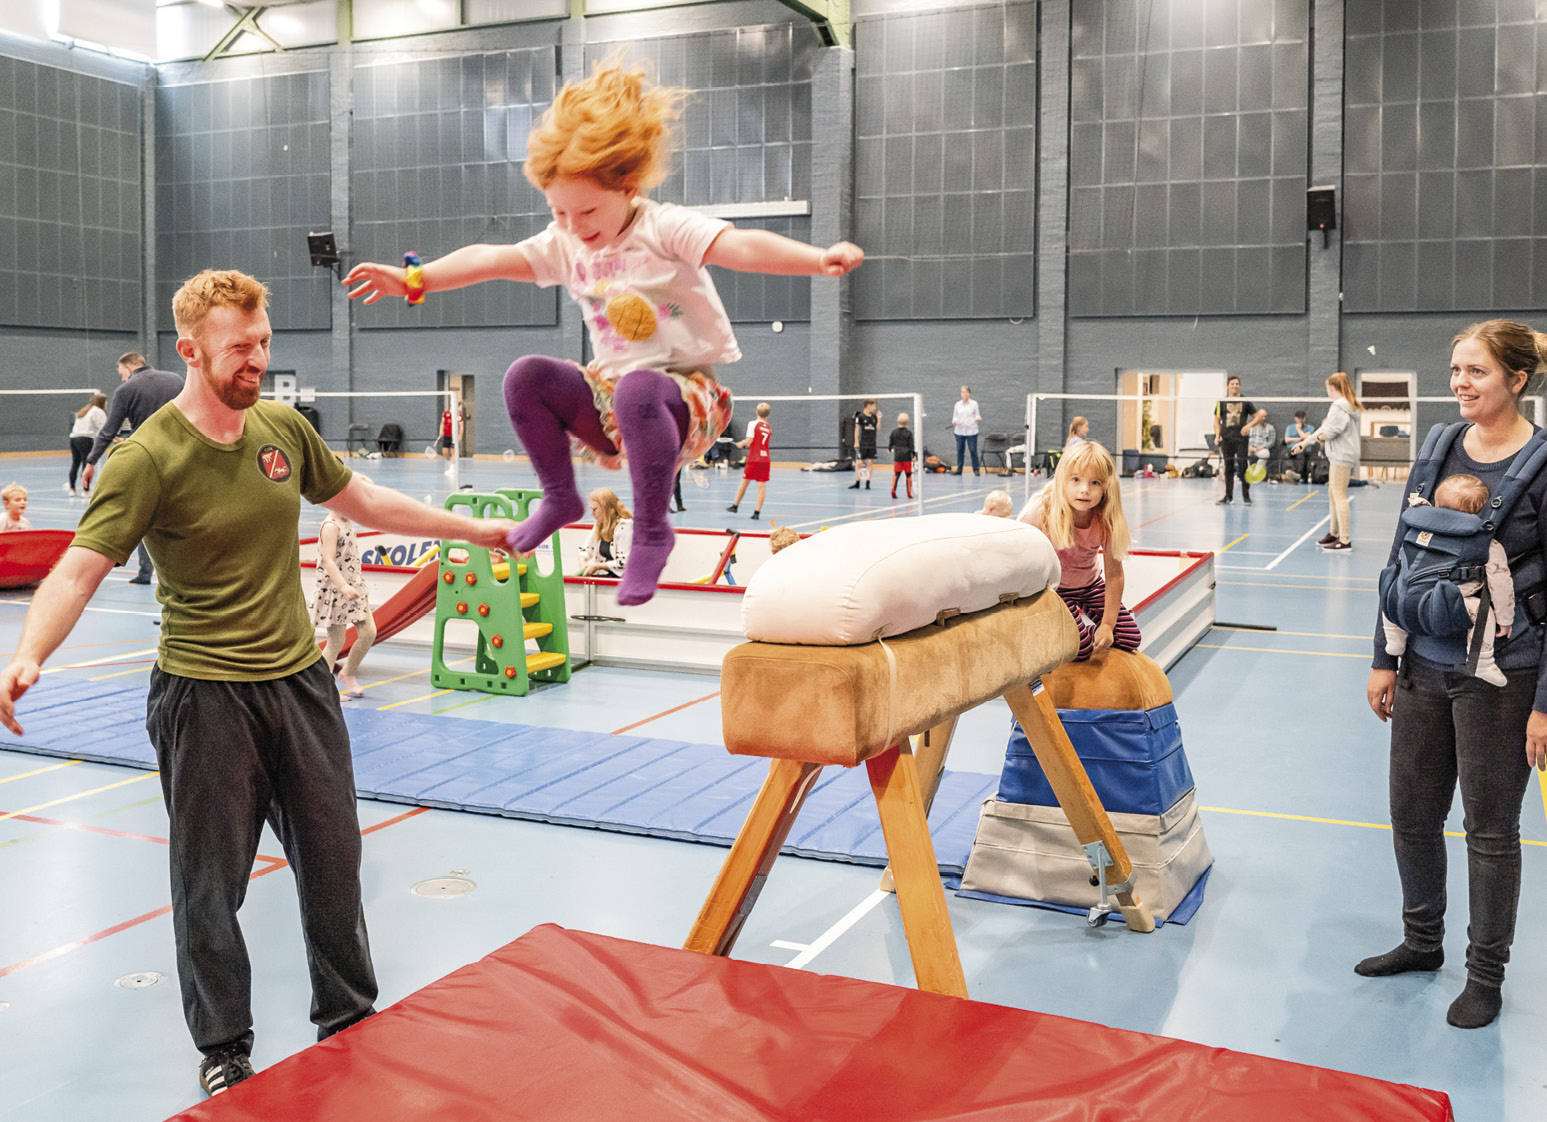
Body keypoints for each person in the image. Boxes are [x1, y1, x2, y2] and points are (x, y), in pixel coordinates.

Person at [0, 270, 517, 1096]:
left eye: (263, 343)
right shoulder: (147, 459)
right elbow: (77, 571)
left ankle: (347, 1018)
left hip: (300, 686)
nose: (257, 360)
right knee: (210, 887)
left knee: (334, 862)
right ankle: (225, 1048)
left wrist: (476, 529)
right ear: (191, 349)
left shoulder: (280, 429)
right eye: (239, 347)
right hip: (204, 697)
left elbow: (370, 498)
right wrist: (29, 654)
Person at [343, 57, 863, 607]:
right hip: (613, 401)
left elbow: (742, 247)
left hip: (689, 401)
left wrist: (817, 257)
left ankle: (654, 530)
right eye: (559, 213)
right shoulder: (566, 243)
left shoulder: (664, 228)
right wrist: (414, 279)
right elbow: (491, 258)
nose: (573, 228)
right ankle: (560, 497)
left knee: (641, 387)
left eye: (586, 211)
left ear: (630, 187)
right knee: (527, 377)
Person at [1364, 319, 1547, 1030]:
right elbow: (1402, 552)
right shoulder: (1439, 447)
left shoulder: (1539, 463)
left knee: (1489, 829)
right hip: (1421, 666)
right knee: (1411, 815)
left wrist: (1543, 706)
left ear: (1516, 380)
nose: (1459, 383)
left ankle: (1484, 975)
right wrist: (1383, 657)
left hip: (1503, 680)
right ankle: (1419, 941)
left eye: (1475, 371)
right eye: (1454, 370)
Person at [1379, 473, 1513, 688]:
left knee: (1392, 583)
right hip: (1440, 608)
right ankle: (1483, 661)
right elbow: (1501, 583)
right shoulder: (1484, 543)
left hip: (1400, 604)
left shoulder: (1418, 526)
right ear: (1479, 510)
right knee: (1483, 611)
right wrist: (1505, 618)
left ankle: (1394, 640)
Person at [1018, 440, 1141, 661]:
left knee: (1129, 637)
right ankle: (1064, 634)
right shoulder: (1041, 511)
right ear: (1063, 481)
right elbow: (1019, 557)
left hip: (1089, 584)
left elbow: (1114, 576)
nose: (1085, 490)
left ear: (1105, 488)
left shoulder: (1106, 518)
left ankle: (1076, 633)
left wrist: (1106, 625)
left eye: (1095, 482)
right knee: (1082, 648)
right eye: (1076, 480)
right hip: (1054, 590)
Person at [84, 351, 185, 584]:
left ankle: (145, 572)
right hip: (183, 455)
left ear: (128, 368)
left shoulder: (126, 390)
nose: (122, 379)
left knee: (144, 515)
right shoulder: (176, 380)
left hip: (148, 460)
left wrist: (91, 461)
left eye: (121, 374)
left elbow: (109, 431)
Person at [314, 490, 376, 700]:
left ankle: (348, 673)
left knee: (368, 632)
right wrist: (343, 586)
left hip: (355, 585)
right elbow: (329, 561)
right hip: (336, 590)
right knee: (336, 641)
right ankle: (324, 689)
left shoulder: (348, 521)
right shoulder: (331, 526)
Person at [1292, 372, 1362, 551]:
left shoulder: (1339, 406)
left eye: (1327, 389)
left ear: (1332, 388)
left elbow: (1331, 430)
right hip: (1339, 455)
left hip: (1341, 455)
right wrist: (1305, 442)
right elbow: (1326, 427)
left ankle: (1344, 539)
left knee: (1339, 495)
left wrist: (1322, 437)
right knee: (1333, 494)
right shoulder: (1346, 405)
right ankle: (1334, 532)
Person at [1213, 376, 1258, 506]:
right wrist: (1217, 435)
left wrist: (1249, 426)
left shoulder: (1245, 401)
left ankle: (1246, 496)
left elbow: (1257, 417)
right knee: (1228, 468)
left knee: (1243, 467)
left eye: (1237, 384)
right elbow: (1217, 421)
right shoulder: (1221, 402)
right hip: (1227, 438)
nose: (1234, 386)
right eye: (1232, 384)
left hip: (1241, 439)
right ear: (1227, 386)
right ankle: (1228, 497)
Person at [727, 402, 772, 518]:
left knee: (744, 482)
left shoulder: (753, 424)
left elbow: (749, 441)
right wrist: (748, 444)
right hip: (765, 458)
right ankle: (757, 513)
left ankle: (735, 506)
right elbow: (757, 441)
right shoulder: (768, 426)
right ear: (768, 415)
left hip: (754, 458)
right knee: (761, 486)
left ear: (756, 412)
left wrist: (740, 444)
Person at [579, 487, 633, 577]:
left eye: (594, 509)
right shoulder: (599, 524)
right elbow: (586, 549)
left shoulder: (625, 526)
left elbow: (624, 562)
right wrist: (583, 562)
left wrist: (597, 566)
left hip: (623, 579)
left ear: (606, 508)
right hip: (606, 576)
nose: (592, 513)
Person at [67, 393, 108, 497]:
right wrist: (115, 438)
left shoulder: (84, 410)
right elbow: (104, 429)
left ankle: (72, 489)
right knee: (87, 464)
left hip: (74, 439)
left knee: (75, 464)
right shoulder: (98, 412)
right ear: (102, 402)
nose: (107, 403)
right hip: (86, 439)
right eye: (106, 401)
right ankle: (86, 490)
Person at [850, 398, 879, 490]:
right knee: (859, 463)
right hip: (862, 443)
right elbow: (857, 430)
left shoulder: (874, 417)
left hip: (872, 443)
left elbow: (877, 428)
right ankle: (857, 483)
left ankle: (867, 483)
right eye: (874, 405)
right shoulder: (860, 417)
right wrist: (856, 442)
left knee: (870, 463)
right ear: (869, 406)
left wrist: (879, 419)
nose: (875, 408)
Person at [952, 385, 982, 476]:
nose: (964, 394)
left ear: (969, 393)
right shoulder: (957, 404)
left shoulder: (974, 404)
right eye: (962, 392)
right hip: (959, 432)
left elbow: (978, 416)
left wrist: (976, 419)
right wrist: (956, 421)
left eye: (966, 392)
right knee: (960, 450)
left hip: (971, 432)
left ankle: (976, 469)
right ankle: (959, 469)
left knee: (973, 450)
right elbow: (954, 418)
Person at [888, 411, 916, 500]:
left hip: (898, 456)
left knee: (896, 474)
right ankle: (908, 492)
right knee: (908, 475)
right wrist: (914, 455)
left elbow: (891, 442)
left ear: (897, 421)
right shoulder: (909, 433)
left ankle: (893, 490)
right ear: (907, 422)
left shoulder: (894, 432)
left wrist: (889, 449)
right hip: (907, 456)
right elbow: (911, 445)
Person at [1247, 409, 1276, 474]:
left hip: (1261, 449)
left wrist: (1262, 447)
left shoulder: (1270, 427)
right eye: (1262, 416)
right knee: (1241, 454)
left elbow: (1272, 441)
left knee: (1265, 454)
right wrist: (1248, 446)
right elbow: (1243, 439)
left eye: (1265, 416)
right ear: (1256, 416)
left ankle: (1256, 474)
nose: (1264, 418)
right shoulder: (1249, 426)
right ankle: (1248, 472)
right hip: (1249, 448)